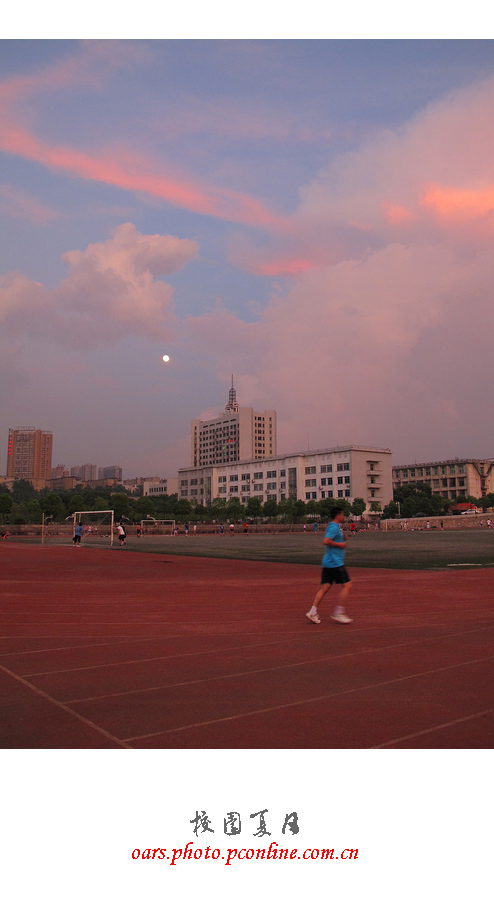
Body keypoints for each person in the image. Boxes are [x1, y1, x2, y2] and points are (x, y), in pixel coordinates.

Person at [306, 506, 353, 625]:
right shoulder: (333, 527)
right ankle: (339, 612)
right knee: (347, 585)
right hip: (335, 563)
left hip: (328, 563)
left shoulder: (335, 527)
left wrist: (343, 538)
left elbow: (333, 538)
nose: (343, 517)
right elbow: (326, 541)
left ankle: (312, 611)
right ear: (338, 516)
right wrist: (340, 545)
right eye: (342, 515)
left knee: (325, 588)